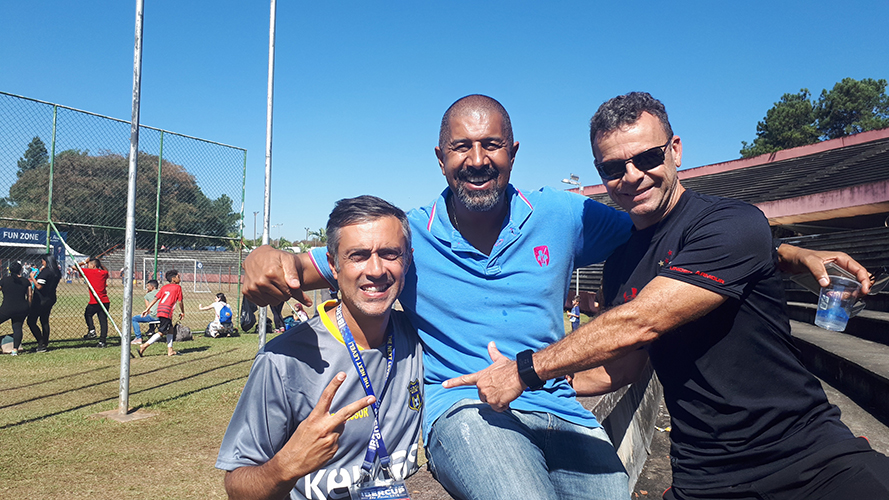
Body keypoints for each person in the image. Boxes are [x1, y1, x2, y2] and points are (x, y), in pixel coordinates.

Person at [448, 92, 888, 500]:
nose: (631, 176)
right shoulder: (621, 262)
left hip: (809, 458)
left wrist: (526, 370)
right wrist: (531, 389)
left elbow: (642, 320)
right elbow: (621, 368)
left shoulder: (730, 221)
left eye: (647, 157)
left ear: (675, 150)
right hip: (704, 477)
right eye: (612, 168)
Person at [217, 195, 423, 500]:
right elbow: (237, 488)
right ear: (332, 265)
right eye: (358, 255)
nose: (376, 269)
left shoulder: (420, 339)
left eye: (390, 253)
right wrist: (285, 466)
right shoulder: (282, 360)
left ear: (407, 260)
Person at [138, 269, 185, 357]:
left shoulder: (164, 287)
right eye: (178, 277)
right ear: (173, 279)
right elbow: (180, 301)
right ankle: (144, 346)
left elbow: (156, 298)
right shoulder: (178, 287)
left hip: (160, 310)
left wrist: (147, 309)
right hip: (166, 311)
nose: (180, 278)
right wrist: (182, 312)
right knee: (161, 332)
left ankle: (170, 350)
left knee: (170, 329)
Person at [27, 254, 61, 352]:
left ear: (46, 261)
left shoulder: (46, 272)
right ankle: (44, 342)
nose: (41, 262)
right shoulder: (56, 272)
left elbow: (39, 286)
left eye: (42, 260)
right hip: (50, 298)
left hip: (41, 300)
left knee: (31, 321)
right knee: (44, 320)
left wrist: (32, 277)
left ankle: (41, 342)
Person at [1, 262, 32, 356]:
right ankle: (15, 350)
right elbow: (30, 295)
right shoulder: (26, 281)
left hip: (7, 308)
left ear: (10, 270)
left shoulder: (4, 280)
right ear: (20, 270)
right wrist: (28, 307)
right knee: (17, 327)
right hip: (22, 308)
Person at [80, 257, 111, 348]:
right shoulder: (103, 273)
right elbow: (106, 271)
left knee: (88, 314)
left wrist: (84, 262)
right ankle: (102, 341)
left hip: (95, 301)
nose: (87, 266)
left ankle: (92, 330)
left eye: (89, 264)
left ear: (93, 265)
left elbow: (74, 267)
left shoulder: (89, 272)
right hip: (105, 301)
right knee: (103, 321)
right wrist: (100, 264)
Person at [130, 279, 160, 345]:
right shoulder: (161, 292)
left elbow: (148, 310)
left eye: (148, 286)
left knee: (134, 319)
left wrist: (148, 294)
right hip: (163, 316)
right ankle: (151, 329)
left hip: (153, 317)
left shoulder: (147, 296)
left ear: (152, 287)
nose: (147, 288)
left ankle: (138, 338)